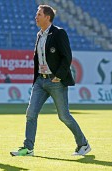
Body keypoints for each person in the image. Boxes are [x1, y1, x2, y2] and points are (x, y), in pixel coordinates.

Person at [10, 5, 91, 156]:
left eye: (39, 14)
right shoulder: (39, 34)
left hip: (56, 82)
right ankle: (28, 148)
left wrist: (58, 76)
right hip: (40, 81)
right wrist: (37, 79)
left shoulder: (59, 33)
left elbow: (67, 57)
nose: (36, 17)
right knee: (31, 113)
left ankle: (83, 144)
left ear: (47, 17)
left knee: (64, 116)